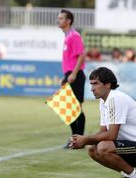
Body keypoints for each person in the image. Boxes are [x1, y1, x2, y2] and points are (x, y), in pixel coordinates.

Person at [70, 67, 136, 178]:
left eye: (96, 84)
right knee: (93, 149)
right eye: (91, 84)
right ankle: (131, 177)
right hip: (132, 147)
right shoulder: (104, 101)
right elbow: (103, 132)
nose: (92, 88)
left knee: (102, 147)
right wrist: (84, 141)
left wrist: (85, 139)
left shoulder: (115, 98)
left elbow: (111, 135)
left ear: (107, 84)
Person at [57, 9, 86, 148]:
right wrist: (65, 77)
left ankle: (79, 140)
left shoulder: (74, 35)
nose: (59, 20)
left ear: (68, 21)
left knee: (76, 108)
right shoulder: (67, 36)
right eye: (59, 18)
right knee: (67, 109)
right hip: (69, 75)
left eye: (61, 18)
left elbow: (81, 55)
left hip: (76, 75)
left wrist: (74, 73)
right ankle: (74, 139)